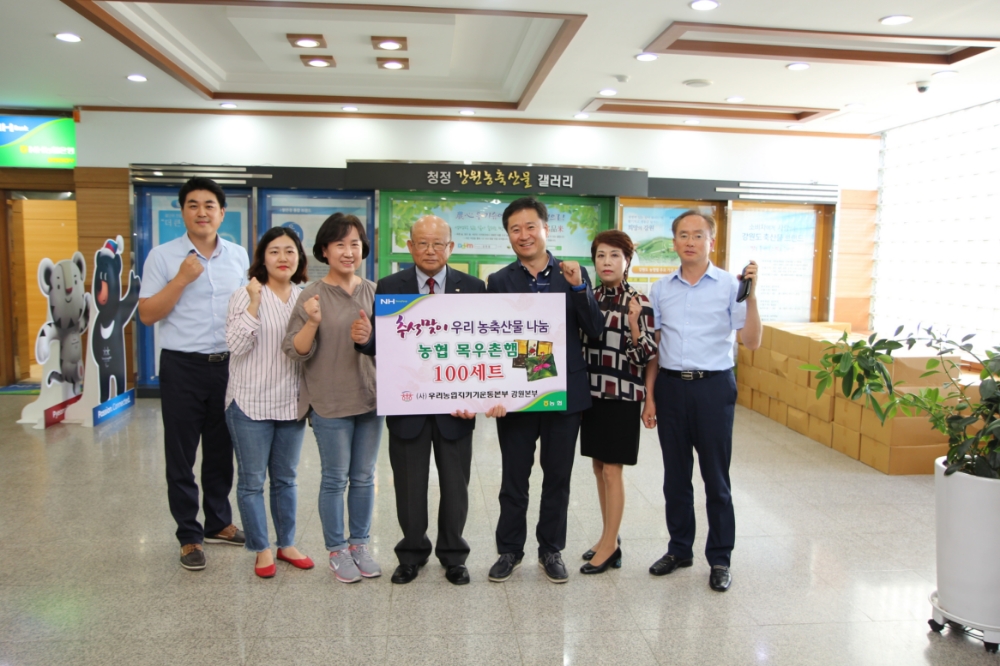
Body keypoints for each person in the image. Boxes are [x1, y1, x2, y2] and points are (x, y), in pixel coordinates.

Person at [351, 215, 487, 586]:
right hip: (408, 403)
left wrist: (479, 396)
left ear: (451, 248)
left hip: (455, 405)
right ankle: (411, 553)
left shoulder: (473, 288)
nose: (430, 250)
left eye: (438, 243)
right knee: (409, 484)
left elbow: (483, 349)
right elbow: (384, 344)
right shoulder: (390, 287)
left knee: (455, 485)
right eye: (422, 243)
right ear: (409, 246)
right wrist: (365, 339)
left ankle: (453, 555)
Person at [483, 197, 604, 584]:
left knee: (558, 477)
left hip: (562, 393)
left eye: (530, 227)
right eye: (515, 229)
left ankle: (551, 550)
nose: (524, 235)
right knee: (514, 478)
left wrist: (579, 288)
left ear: (546, 229)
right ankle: (509, 551)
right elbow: (493, 341)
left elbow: (595, 329)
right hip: (518, 393)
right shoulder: (499, 281)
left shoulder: (572, 272)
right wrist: (493, 393)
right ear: (508, 236)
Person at [642, 210, 761, 592]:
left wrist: (752, 297)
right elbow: (656, 348)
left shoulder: (731, 285)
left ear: (712, 241)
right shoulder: (661, 289)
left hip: (713, 388)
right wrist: (650, 397)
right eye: (682, 235)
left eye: (697, 235)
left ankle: (721, 557)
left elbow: (752, 341)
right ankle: (680, 549)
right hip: (672, 388)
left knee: (715, 477)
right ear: (674, 242)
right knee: (675, 478)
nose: (689, 241)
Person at [138, 177, 248, 571]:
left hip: (229, 366)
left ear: (221, 212)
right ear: (182, 211)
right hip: (182, 365)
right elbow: (148, 314)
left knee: (222, 451)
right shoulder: (163, 257)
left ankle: (219, 522)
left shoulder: (238, 256)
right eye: (193, 205)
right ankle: (189, 535)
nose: (202, 212)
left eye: (209, 205)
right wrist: (182, 279)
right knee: (181, 454)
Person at [282, 213, 384, 584]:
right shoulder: (311, 294)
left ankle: (359, 544)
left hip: (371, 399)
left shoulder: (374, 291)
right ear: (324, 250)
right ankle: (337, 549)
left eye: (354, 243)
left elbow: (397, 347)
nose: (348, 251)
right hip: (329, 403)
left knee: (363, 477)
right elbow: (295, 350)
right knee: (335, 479)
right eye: (339, 244)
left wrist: (372, 335)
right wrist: (311, 322)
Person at [225, 227, 312, 578]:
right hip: (249, 402)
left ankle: (286, 543)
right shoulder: (245, 294)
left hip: (290, 404)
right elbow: (236, 345)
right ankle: (261, 548)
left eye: (289, 251)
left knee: (286, 479)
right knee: (251, 481)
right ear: (262, 258)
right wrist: (254, 304)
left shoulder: (305, 298)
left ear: (299, 258)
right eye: (274, 251)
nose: (283, 258)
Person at [579, 230, 656, 574]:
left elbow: (647, 357)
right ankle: (607, 536)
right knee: (598, 467)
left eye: (614, 255)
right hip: (591, 394)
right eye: (600, 256)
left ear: (626, 261)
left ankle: (610, 545)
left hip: (622, 396)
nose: (607, 262)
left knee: (613, 470)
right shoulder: (588, 297)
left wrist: (634, 325)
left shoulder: (639, 301)